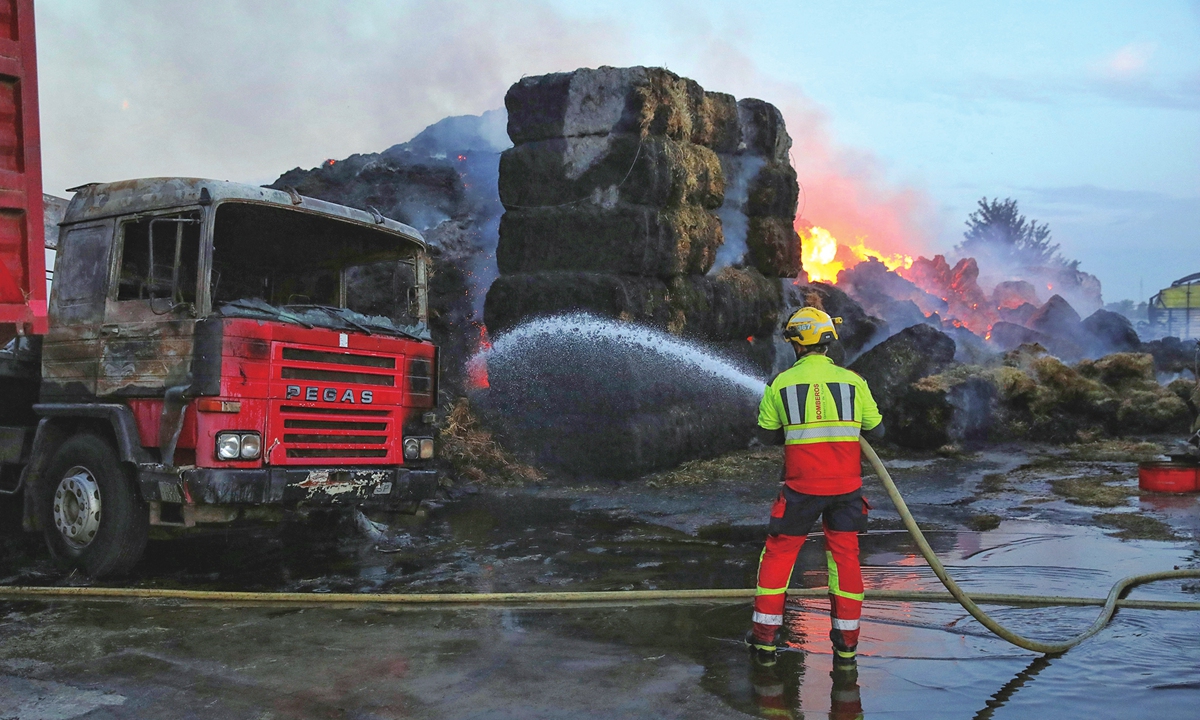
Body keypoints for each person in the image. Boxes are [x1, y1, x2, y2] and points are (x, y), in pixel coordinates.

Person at [747, 306, 883, 669]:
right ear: (826, 342)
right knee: (845, 560)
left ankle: (764, 641)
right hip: (846, 489)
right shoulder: (853, 382)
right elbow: (877, 429)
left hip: (801, 489)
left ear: (796, 344)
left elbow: (765, 434)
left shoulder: (781, 384)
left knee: (779, 555)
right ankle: (847, 646)